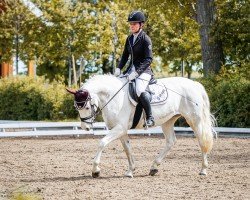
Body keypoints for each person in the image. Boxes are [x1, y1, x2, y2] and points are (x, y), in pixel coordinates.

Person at [114, 10, 155, 127]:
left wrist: (137, 73)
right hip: (130, 70)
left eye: (134, 24)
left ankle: (150, 117)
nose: (131, 26)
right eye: (130, 24)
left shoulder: (145, 39)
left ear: (141, 24)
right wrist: (119, 68)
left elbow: (149, 59)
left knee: (139, 89)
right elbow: (125, 56)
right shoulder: (129, 38)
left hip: (144, 71)